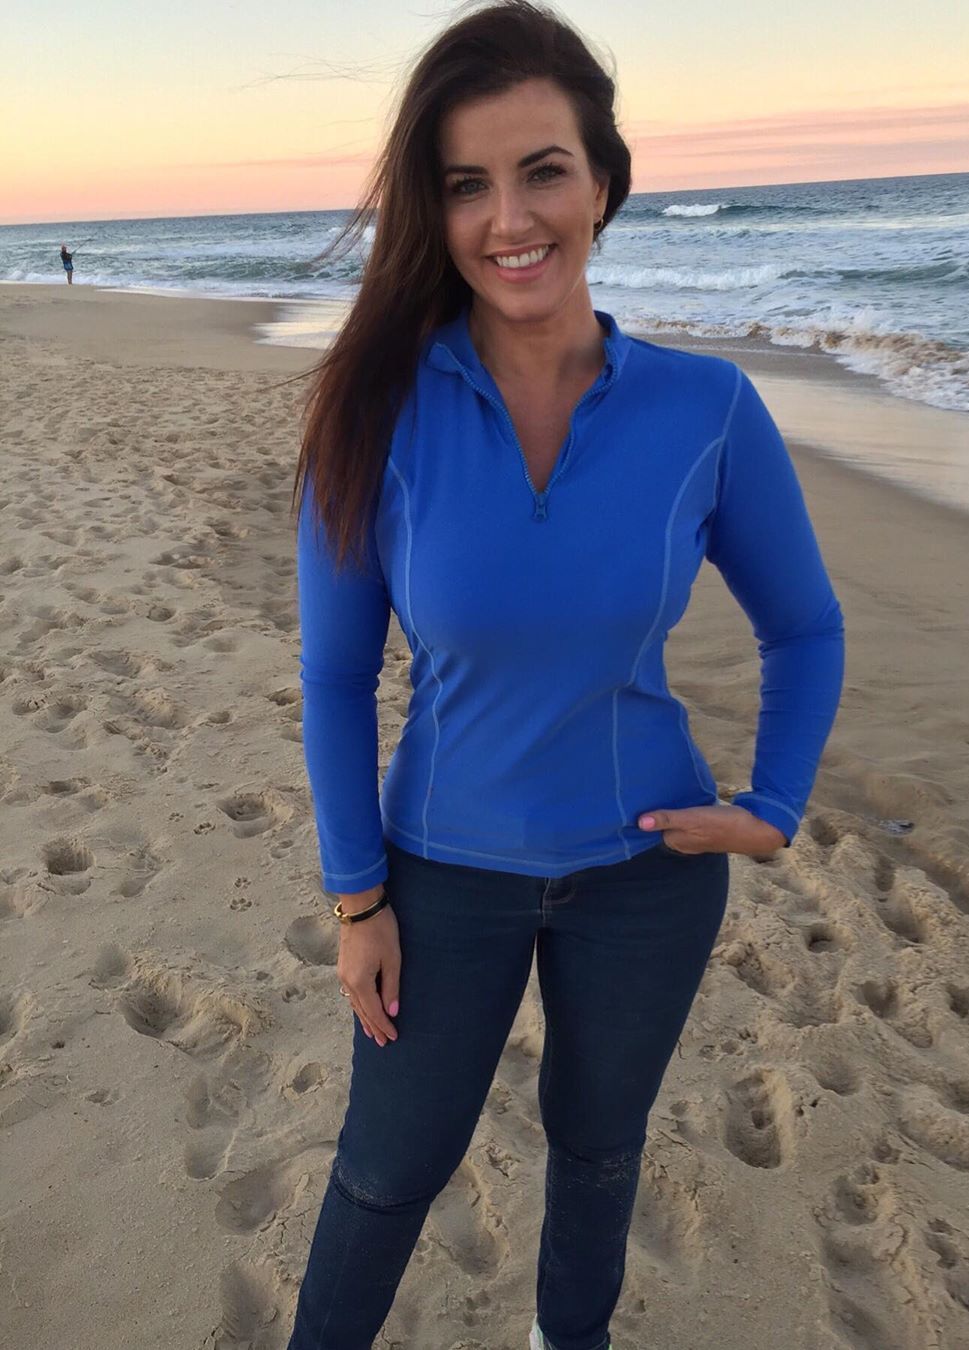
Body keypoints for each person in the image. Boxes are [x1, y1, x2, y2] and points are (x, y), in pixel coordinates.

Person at [286, 3, 845, 1347]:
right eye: (464, 184)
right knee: (387, 1170)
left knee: (598, 1148)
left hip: (648, 876)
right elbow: (334, 677)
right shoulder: (373, 408)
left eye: (543, 170)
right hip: (439, 875)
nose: (508, 219)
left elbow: (806, 627)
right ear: (433, 211)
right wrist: (358, 895)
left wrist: (772, 805)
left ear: (604, 181)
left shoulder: (704, 408)